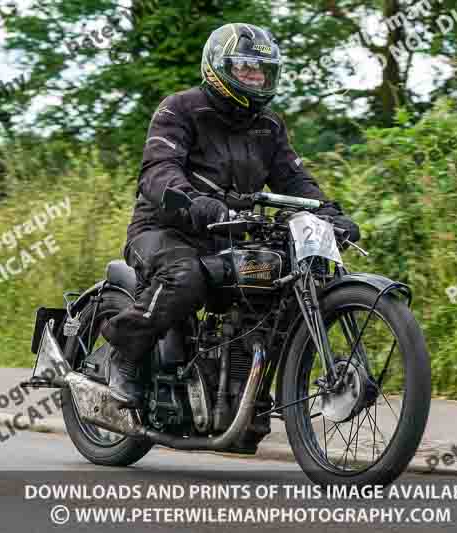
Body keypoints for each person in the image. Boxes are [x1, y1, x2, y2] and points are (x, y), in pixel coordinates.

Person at [100, 22, 360, 407]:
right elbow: (158, 174)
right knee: (184, 276)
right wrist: (194, 202)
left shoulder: (269, 125)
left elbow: (294, 179)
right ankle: (124, 354)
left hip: (231, 233)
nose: (255, 77)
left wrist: (329, 213)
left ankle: (244, 384)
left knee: (281, 282)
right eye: (245, 68)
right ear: (219, 68)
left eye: (262, 71)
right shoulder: (180, 109)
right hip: (164, 229)